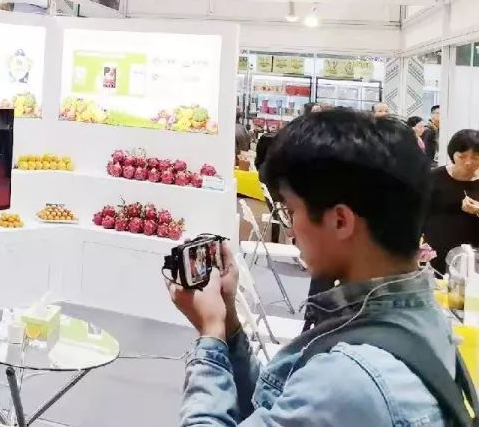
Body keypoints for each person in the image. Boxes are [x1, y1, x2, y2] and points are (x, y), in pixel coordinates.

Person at [171, 108, 457, 425]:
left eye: (292, 211)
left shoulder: (348, 380)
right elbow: (277, 410)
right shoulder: (423, 320)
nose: (291, 230)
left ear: (340, 221)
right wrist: (229, 324)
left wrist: (211, 335)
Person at [423, 128, 479, 275]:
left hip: (474, 257)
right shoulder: (434, 178)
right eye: (462, 156)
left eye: (476, 157)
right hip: (437, 253)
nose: (468, 162)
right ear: (452, 155)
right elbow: (418, 213)